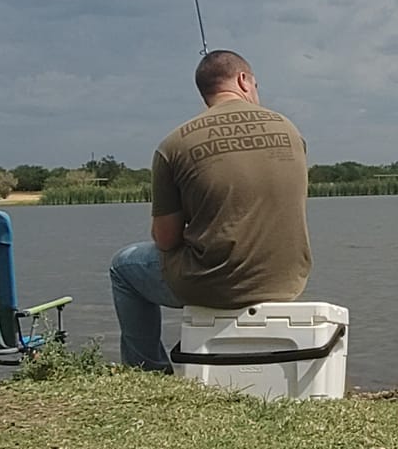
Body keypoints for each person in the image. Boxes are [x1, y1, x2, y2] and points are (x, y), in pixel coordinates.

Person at [108, 50, 311, 371]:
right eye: (256, 84)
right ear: (243, 80)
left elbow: (165, 239)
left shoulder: (173, 144)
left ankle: (147, 371)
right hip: (287, 280)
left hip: (216, 284)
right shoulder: (291, 130)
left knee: (123, 267)